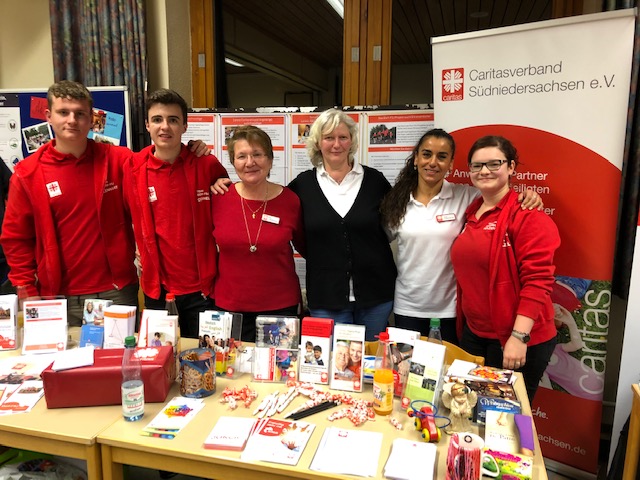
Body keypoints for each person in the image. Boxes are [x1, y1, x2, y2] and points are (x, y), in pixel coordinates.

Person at [380, 129, 542, 342]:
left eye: (442, 156)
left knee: (447, 372)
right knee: (407, 371)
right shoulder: (396, 203)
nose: (433, 162)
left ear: (451, 164)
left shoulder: (467, 196)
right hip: (408, 306)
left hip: (450, 310)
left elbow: (501, 196)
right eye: (427, 154)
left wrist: (528, 195)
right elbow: (378, 245)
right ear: (416, 159)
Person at [1, 81, 139, 326]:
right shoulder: (27, 174)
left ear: (91, 119)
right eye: (63, 112)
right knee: (58, 364)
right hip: (55, 296)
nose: (72, 120)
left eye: (80, 113)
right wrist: (26, 289)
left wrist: (195, 153)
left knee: (118, 362)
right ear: (49, 116)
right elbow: (16, 238)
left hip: (116, 292)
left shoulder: (118, 160)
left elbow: (157, 167)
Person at [450, 135, 559, 402]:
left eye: (493, 163)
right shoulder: (471, 213)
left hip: (515, 338)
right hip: (475, 334)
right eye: (476, 166)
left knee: (507, 421)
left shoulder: (527, 215)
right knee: (472, 409)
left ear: (511, 167)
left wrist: (518, 337)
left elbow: (538, 281)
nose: (484, 171)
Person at [123, 88, 228, 338]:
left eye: (173, 120)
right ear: (147, 125)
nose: (165, 127)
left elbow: (228, 204)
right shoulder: (132, 168)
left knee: (203, 362)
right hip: (156, 289)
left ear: (185, 126)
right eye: (157, 119)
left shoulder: (206, 164)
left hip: (201, 290)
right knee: (159, 361)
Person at [288, 109, 396, 341]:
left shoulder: (375, 181)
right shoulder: (301, 186)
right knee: (336, 365)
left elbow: (390, 231)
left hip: (375, 294)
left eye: (343, 137)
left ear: (352, 141)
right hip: (326, 296)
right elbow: (295, 234)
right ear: (318, 142)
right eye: (329, 138)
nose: (336, 144)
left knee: (373, 363)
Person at [211, 125, 304, 343]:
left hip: (280, 309)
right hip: (229, 308)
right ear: (233, 162)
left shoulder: (291, 200)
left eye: (257, 154)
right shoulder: (218, 198)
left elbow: (307, 246)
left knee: (279, 373)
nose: (250, 162)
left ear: (270, 160)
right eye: (241, 156)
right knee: (230, 373)